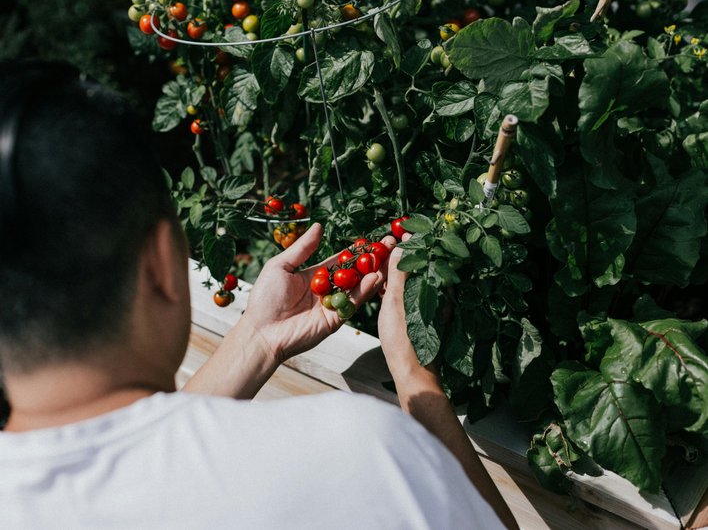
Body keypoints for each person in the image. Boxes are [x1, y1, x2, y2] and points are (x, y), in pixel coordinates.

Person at [0, 61, 517, 529]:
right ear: (160, 263)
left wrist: (257, 338)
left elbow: (120, 460)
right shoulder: (359, 455)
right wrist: (412, 377)